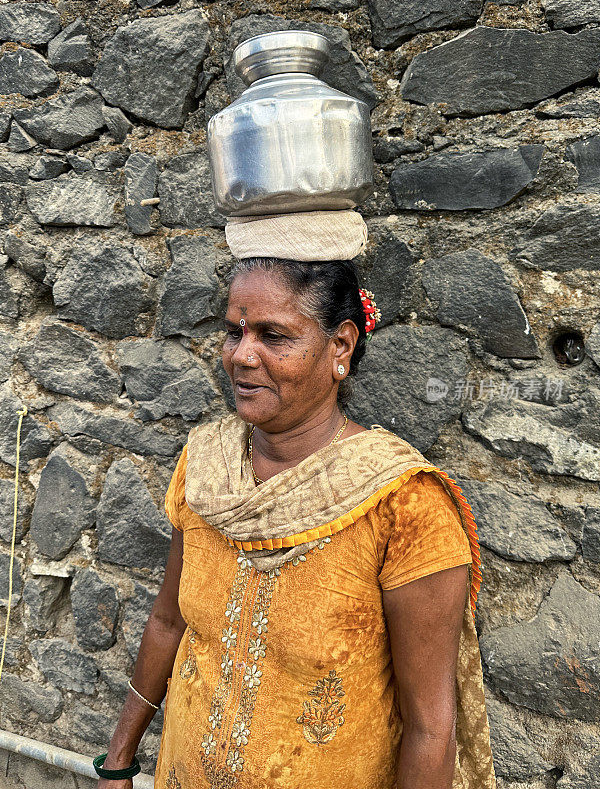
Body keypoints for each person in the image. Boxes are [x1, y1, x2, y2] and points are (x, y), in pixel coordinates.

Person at [95, 245, 496, 789]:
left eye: (273, 336)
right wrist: (118, 758)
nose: (241, 355)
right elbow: (170, 621)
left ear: (341, 346)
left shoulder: (403, 506)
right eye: (234, 331)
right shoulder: (207, 466)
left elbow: (430, 728)